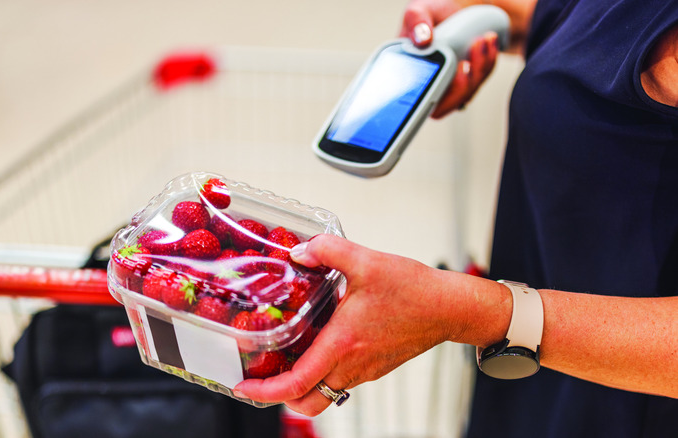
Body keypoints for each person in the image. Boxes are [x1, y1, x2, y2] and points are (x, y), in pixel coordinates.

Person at [234, 0, 678, 436]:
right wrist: (482, 18)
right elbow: (589, 27)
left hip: (620, 404)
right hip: (541, 374)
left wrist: (472, 312)